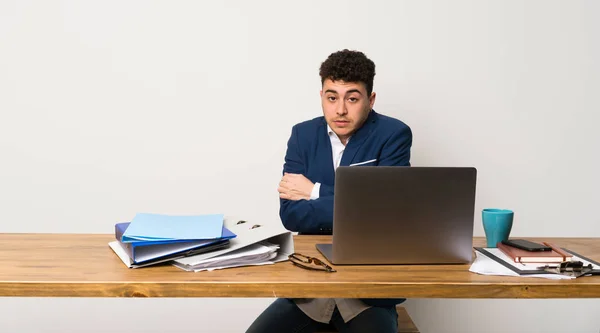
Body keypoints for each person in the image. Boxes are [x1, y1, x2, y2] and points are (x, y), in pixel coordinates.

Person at [246, 49, 413, 333]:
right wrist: (361, 207)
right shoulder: (303, 135)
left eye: (352, 98)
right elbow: (292, 215)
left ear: (370, 100)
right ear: (321, 95)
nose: (340, 110)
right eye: (332, 97)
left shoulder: (393, 135)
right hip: (311, 285)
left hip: (367, 290)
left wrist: (313, 191)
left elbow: (386, 215)